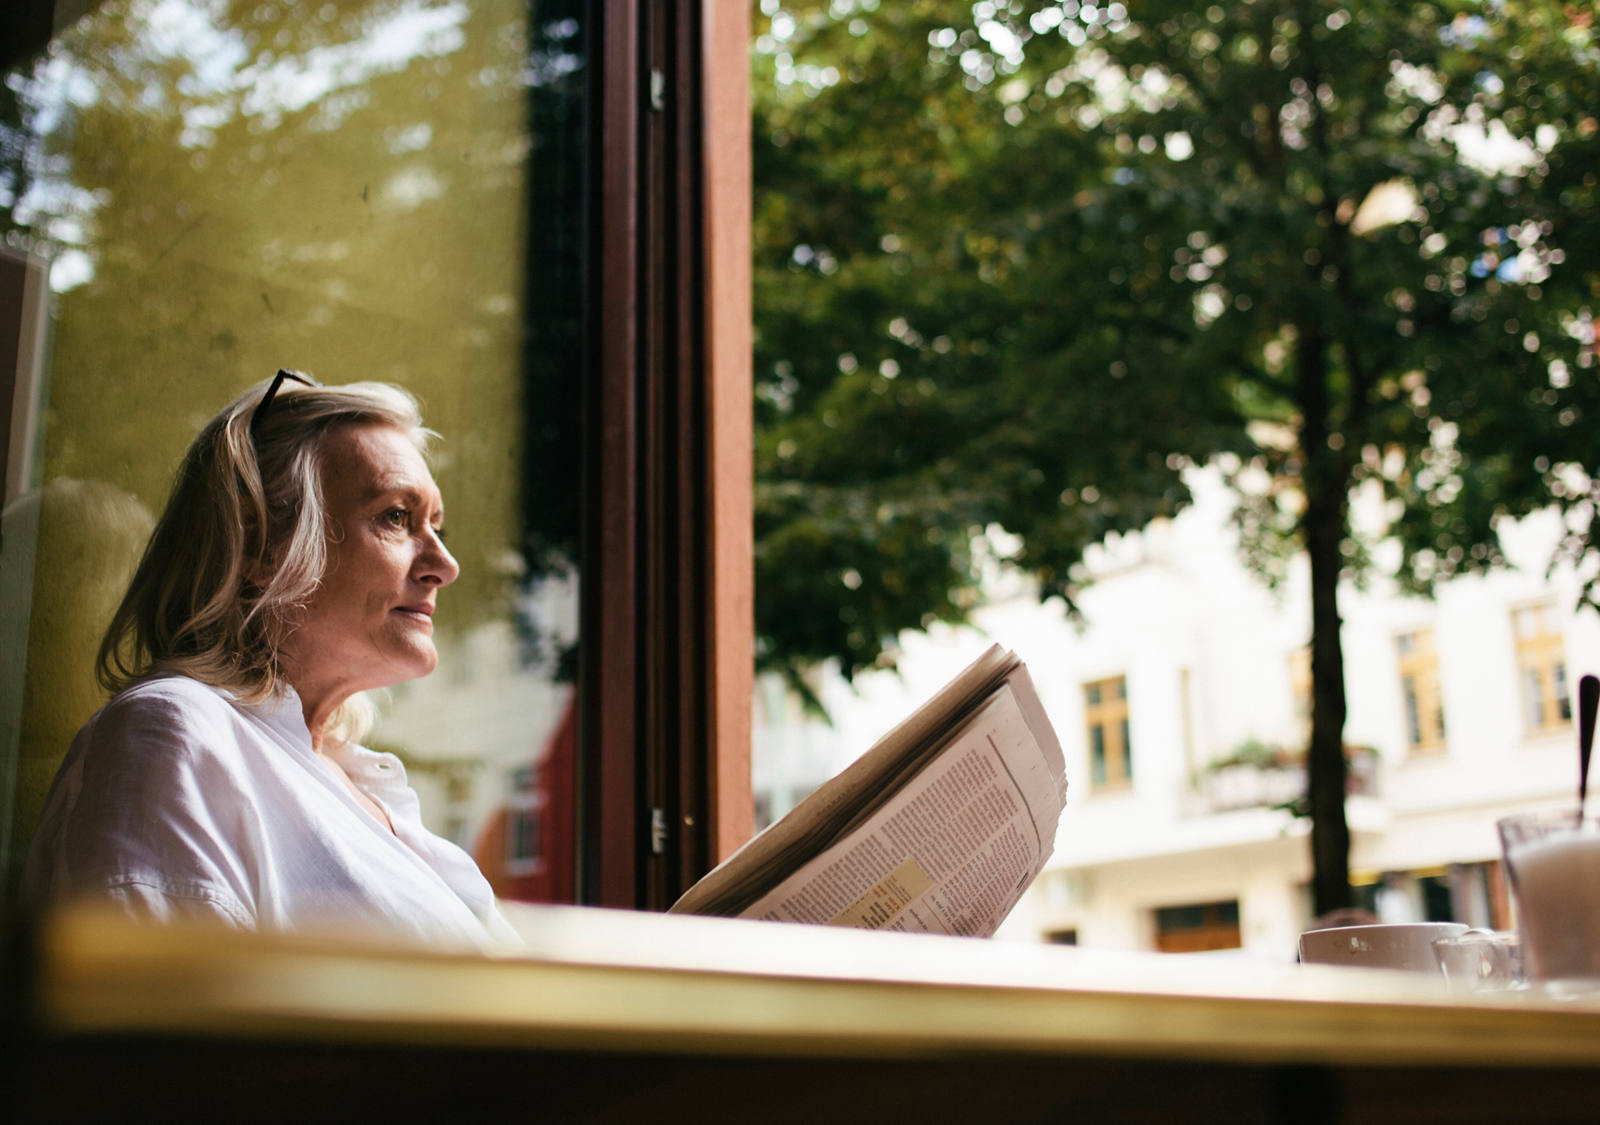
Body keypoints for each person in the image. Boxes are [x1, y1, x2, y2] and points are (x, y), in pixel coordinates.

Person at [23, 371, 521, 953]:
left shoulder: (361, 780)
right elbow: (162, 1007)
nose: (445, 564)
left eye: (436, 525)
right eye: (395, 517)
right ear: (260, 543)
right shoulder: (176, 733)